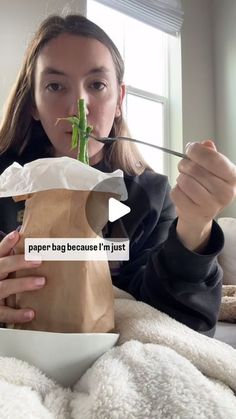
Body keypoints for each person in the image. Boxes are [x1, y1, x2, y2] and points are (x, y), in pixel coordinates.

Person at [0, 14, 235, 335]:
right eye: (55, 86)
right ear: (33, 105)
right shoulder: (7, 181)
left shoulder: (150, 196)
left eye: (97, 84)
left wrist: (196, 227)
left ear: (120, 99)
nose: (78, 106)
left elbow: (174, 323)